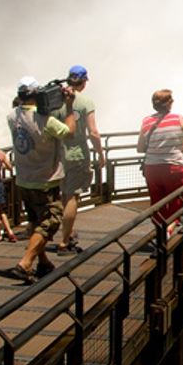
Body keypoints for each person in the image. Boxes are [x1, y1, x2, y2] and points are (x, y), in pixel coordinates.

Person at [0, 76, 78, 284]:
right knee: (50, 222)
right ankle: (25, 263)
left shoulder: (11, 116)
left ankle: (43, 262)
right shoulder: (46, 121)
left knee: (35, 220)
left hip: (23, 179)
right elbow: (69, 132)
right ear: (37, 94)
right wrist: (69, 106)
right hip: (45, 181)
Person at [137, 89, 183, 234]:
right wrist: (181, 148)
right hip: (174, 167)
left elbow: (140, 148)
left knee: (157, 202)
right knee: (176, 199)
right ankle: (169, 230)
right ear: (169, 104)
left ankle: (160, 230)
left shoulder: (146, 121)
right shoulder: (179, 119)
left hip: (152, 169)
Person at [58, 65, 103, 252]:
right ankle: (64, 240)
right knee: (72, 197)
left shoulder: (56, 100)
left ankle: (68, 230)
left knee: (62, 196)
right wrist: (100, 154)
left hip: (57, 155)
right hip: (77, 155)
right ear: (83, 82)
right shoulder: (85, 102)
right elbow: (93, 132)